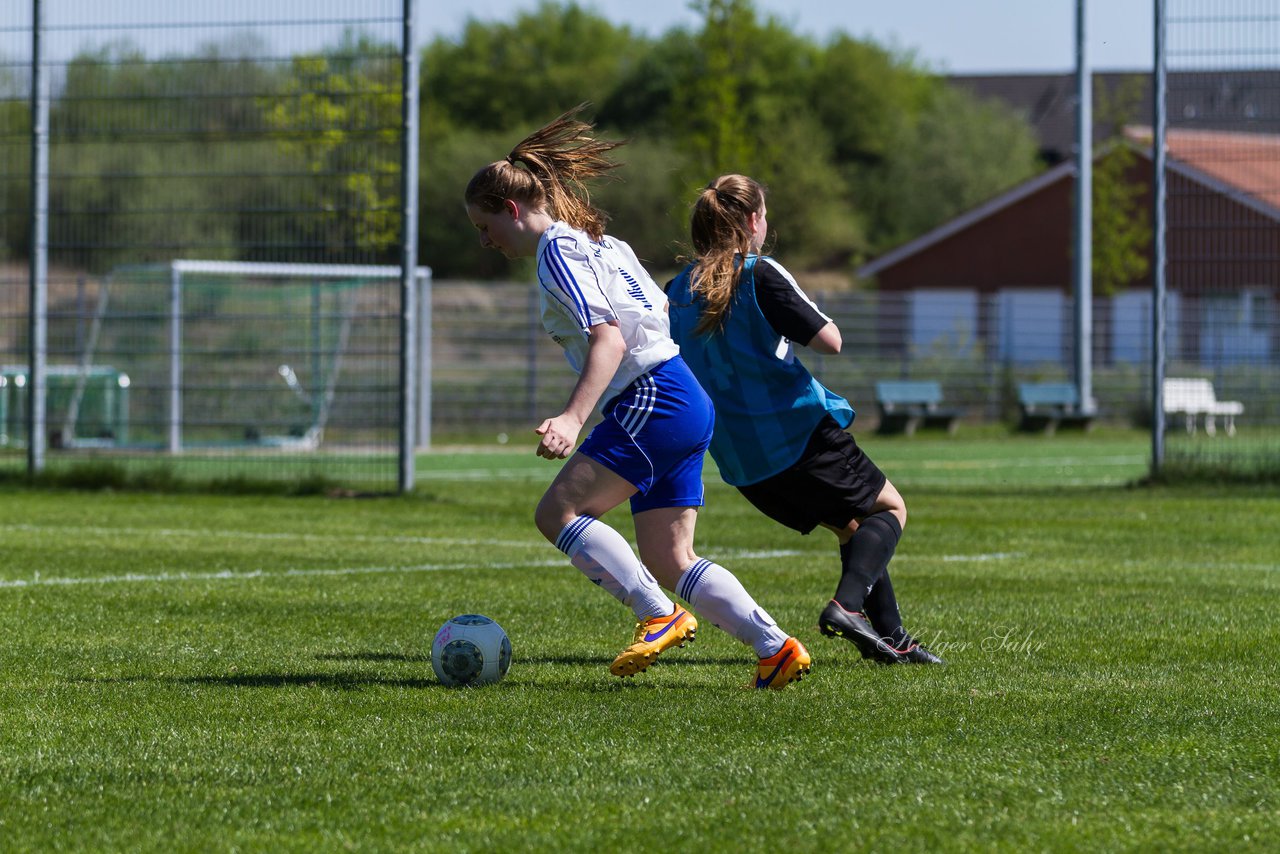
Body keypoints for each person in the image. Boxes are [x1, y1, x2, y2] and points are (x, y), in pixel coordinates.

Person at [463, 108, 811, 688]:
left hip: (654, 396)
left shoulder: (556, 253)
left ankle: (659, 614)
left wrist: (574, 417)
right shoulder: (602, 242)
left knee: (558, 513)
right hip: (683, 394)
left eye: (484, 226)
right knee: (670, 559)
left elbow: (608, 336)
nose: (485, 240)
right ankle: (775, 650)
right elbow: (656, 311)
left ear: (512, 209)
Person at [665, 173, 943, 665]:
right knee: (890, 510)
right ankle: (846, 607)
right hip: (797, 434)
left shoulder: (676, 291)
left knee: (852, 528)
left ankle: (893, 639)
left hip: (740, 459)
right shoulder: (758, 272)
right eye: (764, 213)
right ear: (753, 221)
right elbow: (829, 340)